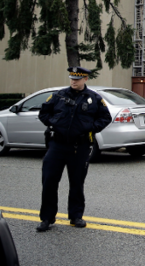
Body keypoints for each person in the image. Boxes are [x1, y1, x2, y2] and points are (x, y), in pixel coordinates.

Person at [36, 67, 112, 232]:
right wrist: (54, 123)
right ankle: (47, 218)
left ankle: (76, 216)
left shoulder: (94, 98)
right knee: (49, 181)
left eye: (77, 79)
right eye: (71, 78)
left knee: (77, 182)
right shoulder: (59, 96)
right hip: (57, 145)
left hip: (80, 146)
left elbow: (106, 117)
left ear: (85, 79)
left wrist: (90, 128)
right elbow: (43, 113)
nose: (73, 81)